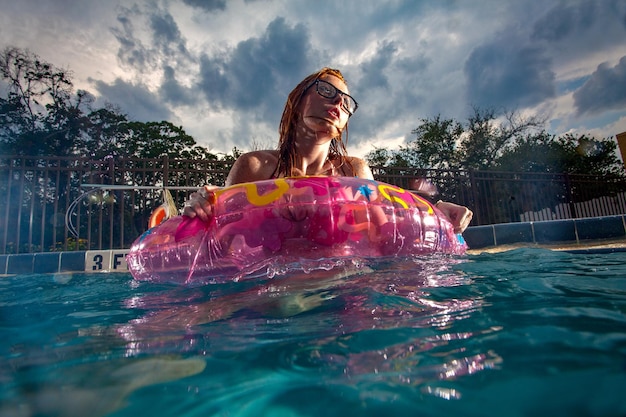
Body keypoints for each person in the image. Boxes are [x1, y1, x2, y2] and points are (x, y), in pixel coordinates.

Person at [183, 67, 472, 234]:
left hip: (340, 286)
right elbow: (224, 234)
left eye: (346, 103)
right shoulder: (256, 167)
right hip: (273, 294)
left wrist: (432, 212)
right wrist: (202, 206)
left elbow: (384, 226)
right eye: (325, 91)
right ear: (297, 101)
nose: (337, 105)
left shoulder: (354, 171)